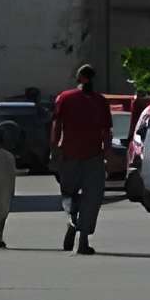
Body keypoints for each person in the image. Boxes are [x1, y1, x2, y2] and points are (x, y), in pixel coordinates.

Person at [49, 64, 113, 254]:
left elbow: (56, 125)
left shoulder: (65, 98)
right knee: (91, 198)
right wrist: (107, 154)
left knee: (69, 193)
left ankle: (72, 220)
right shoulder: (100, 101)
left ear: (78, 78)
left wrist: (54, 150)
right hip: (93, 156)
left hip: (69, 155)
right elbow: (106, 132)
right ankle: (83, 240)